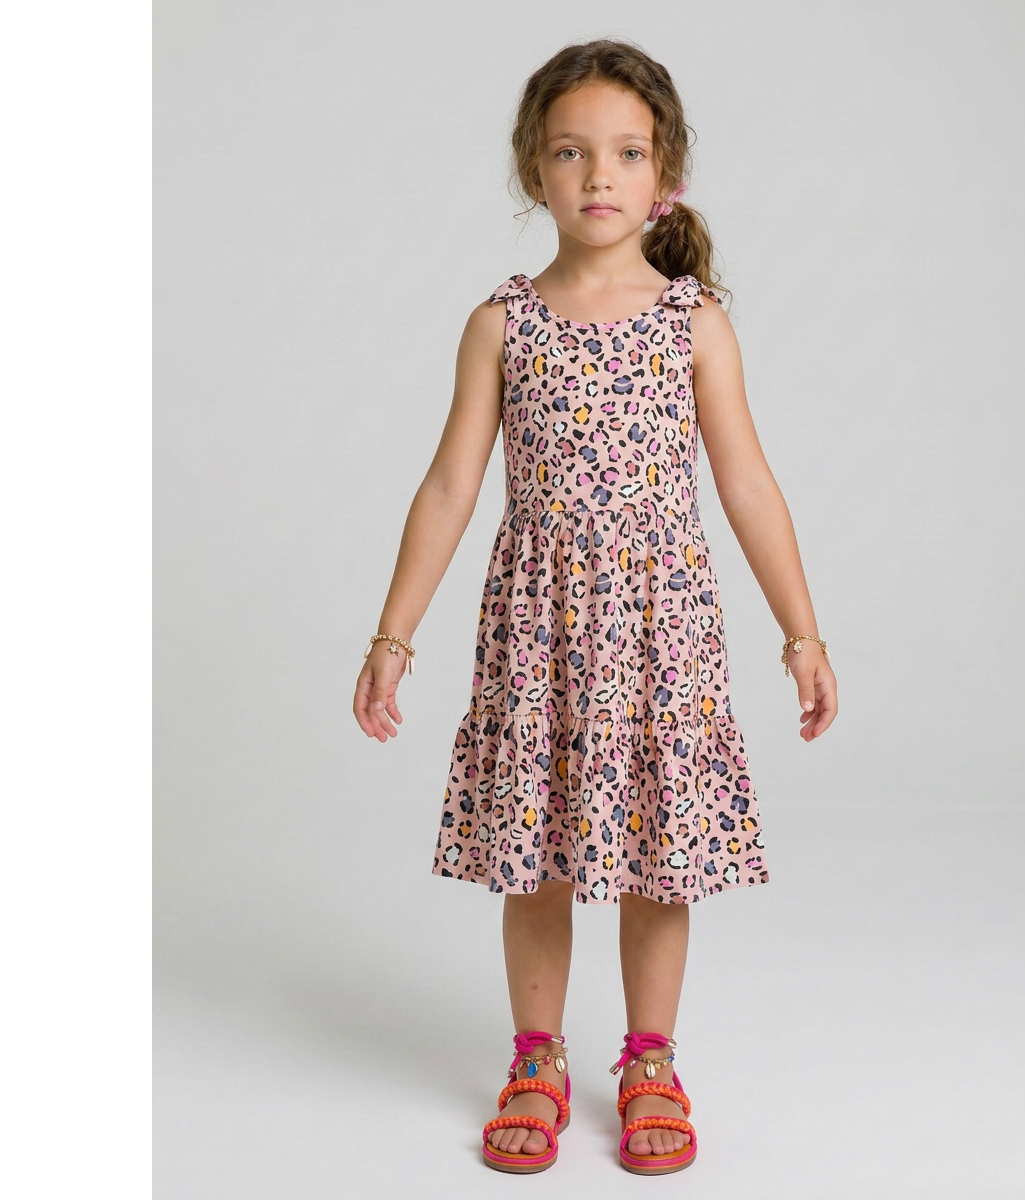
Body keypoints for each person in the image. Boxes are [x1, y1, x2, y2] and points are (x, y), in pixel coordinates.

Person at [352, 38, 838, 1176]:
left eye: (626, 152)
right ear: (536, 169)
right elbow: (450, 485)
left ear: (664, 172)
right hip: (541, 634)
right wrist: (392, 634)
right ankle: (537, 1056)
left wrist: (802, 633)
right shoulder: (502, 323)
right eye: (572, 153)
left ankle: (650, 1059)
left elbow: (747, 484)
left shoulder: (693, 321)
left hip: (660, 634)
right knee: (540, 855)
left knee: (660, 852)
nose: (598, 175)